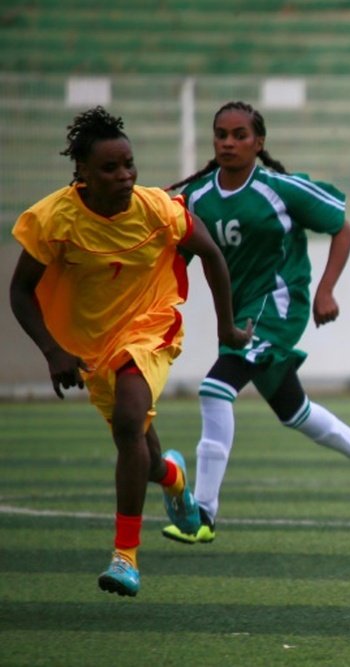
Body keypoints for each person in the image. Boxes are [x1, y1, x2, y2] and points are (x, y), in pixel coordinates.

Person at [9, 106, 252, 597]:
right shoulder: (52, 219)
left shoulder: (159, 209)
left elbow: (211, 254)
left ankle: (126, 558)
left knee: (127, 421)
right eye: (110, 168)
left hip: (152, 325)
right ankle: (174, 478)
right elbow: (20, 291)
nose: (124, 176)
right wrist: (54, 352)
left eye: (129, 165)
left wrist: (227, 327)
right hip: (91, 347)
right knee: (138, 443)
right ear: (82, 173)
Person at [160, 101, 350, 545]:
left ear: (258, 142)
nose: (229, 142)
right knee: (294, 411)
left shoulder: (280, 189)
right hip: (240, 314)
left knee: (214, 390)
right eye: (221, 134)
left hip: (279, 306)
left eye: (240, 135)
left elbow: (341, 228)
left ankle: (203, 514)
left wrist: (326, 290)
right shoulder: (198, 198)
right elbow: (177, 256)